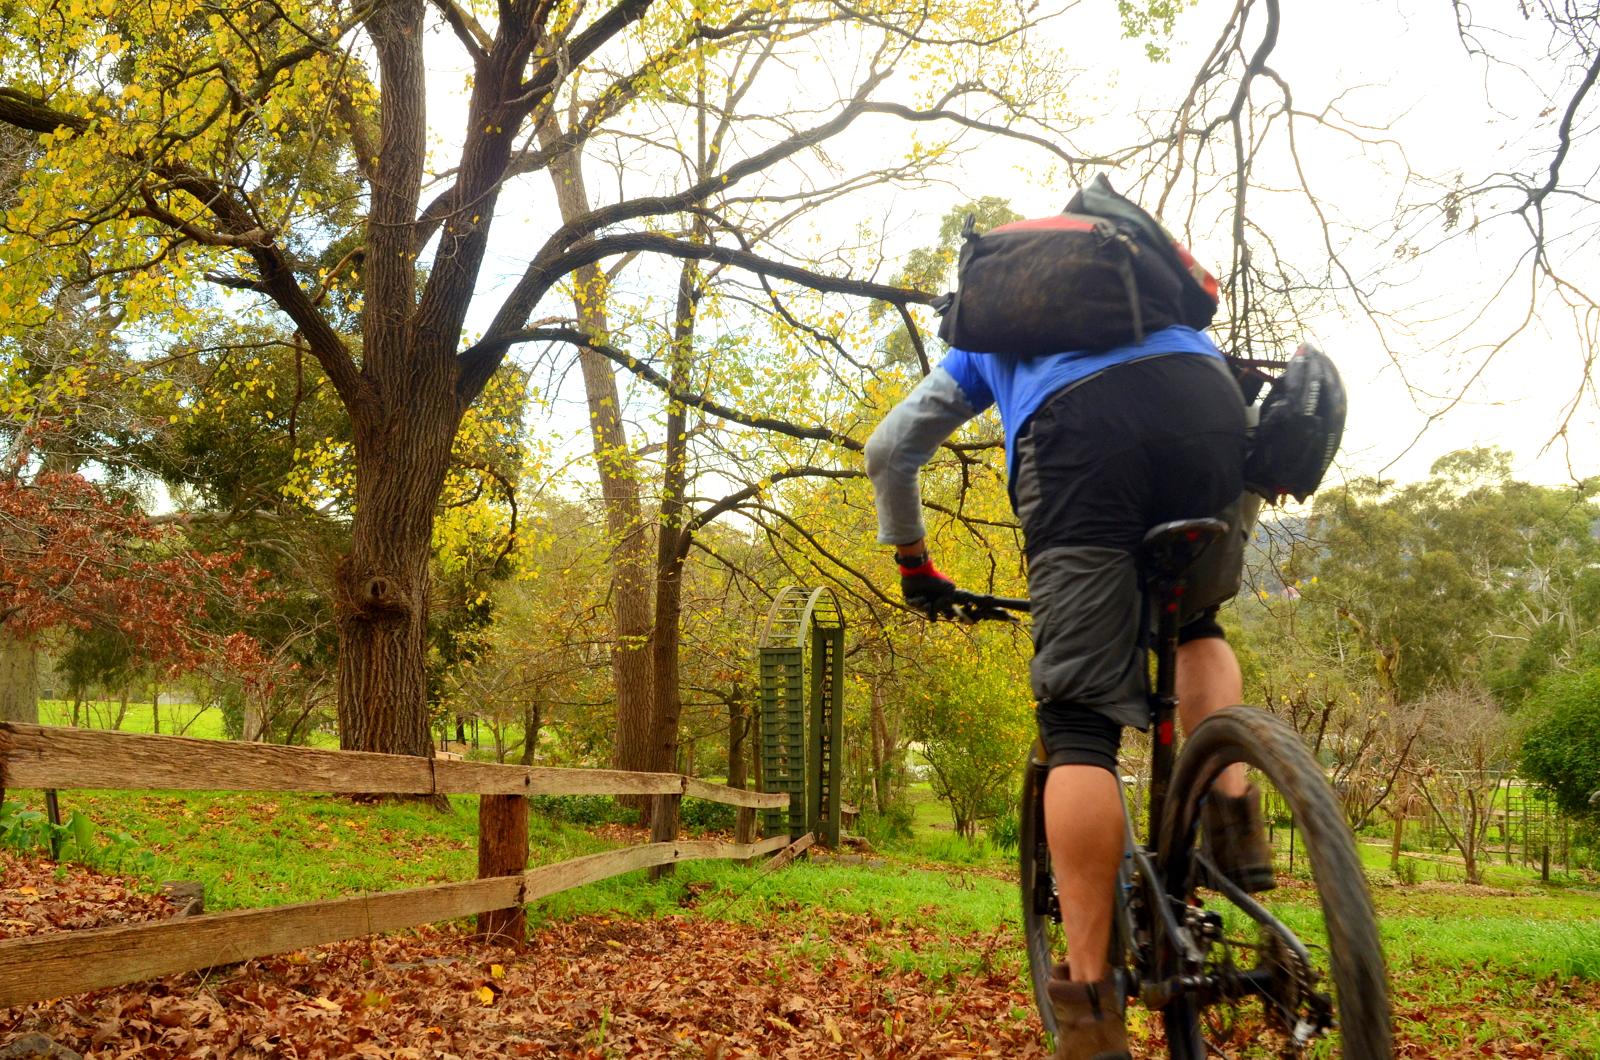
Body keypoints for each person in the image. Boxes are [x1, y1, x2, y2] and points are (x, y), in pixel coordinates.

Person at [864, 322, 1272, 1060]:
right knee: (1199, 623)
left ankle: (1090, 1016)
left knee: (1078, 725)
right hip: (1209, 419)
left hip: (1082, 448)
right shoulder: (1169, 314)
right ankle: (1236, 830)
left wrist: (914, 562)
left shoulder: (994, 329)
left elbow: (890, 450)